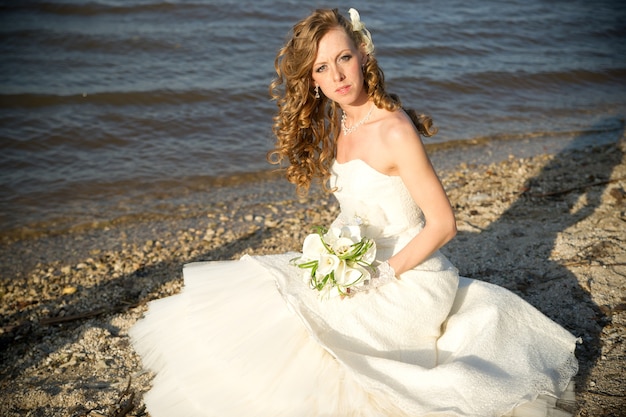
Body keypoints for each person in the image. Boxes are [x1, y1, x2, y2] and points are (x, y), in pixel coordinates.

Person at [130, 8, 578, 417]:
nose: (338, 75)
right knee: (269, 298)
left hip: (409, 276)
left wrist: (381, 274)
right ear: (314, 81)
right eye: (322, 68)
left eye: (343, 58)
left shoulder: (395, 131)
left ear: (362, 53)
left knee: (313, 342)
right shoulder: (344, 121)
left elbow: (443, 224)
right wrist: (333, 257)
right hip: (358, 260)